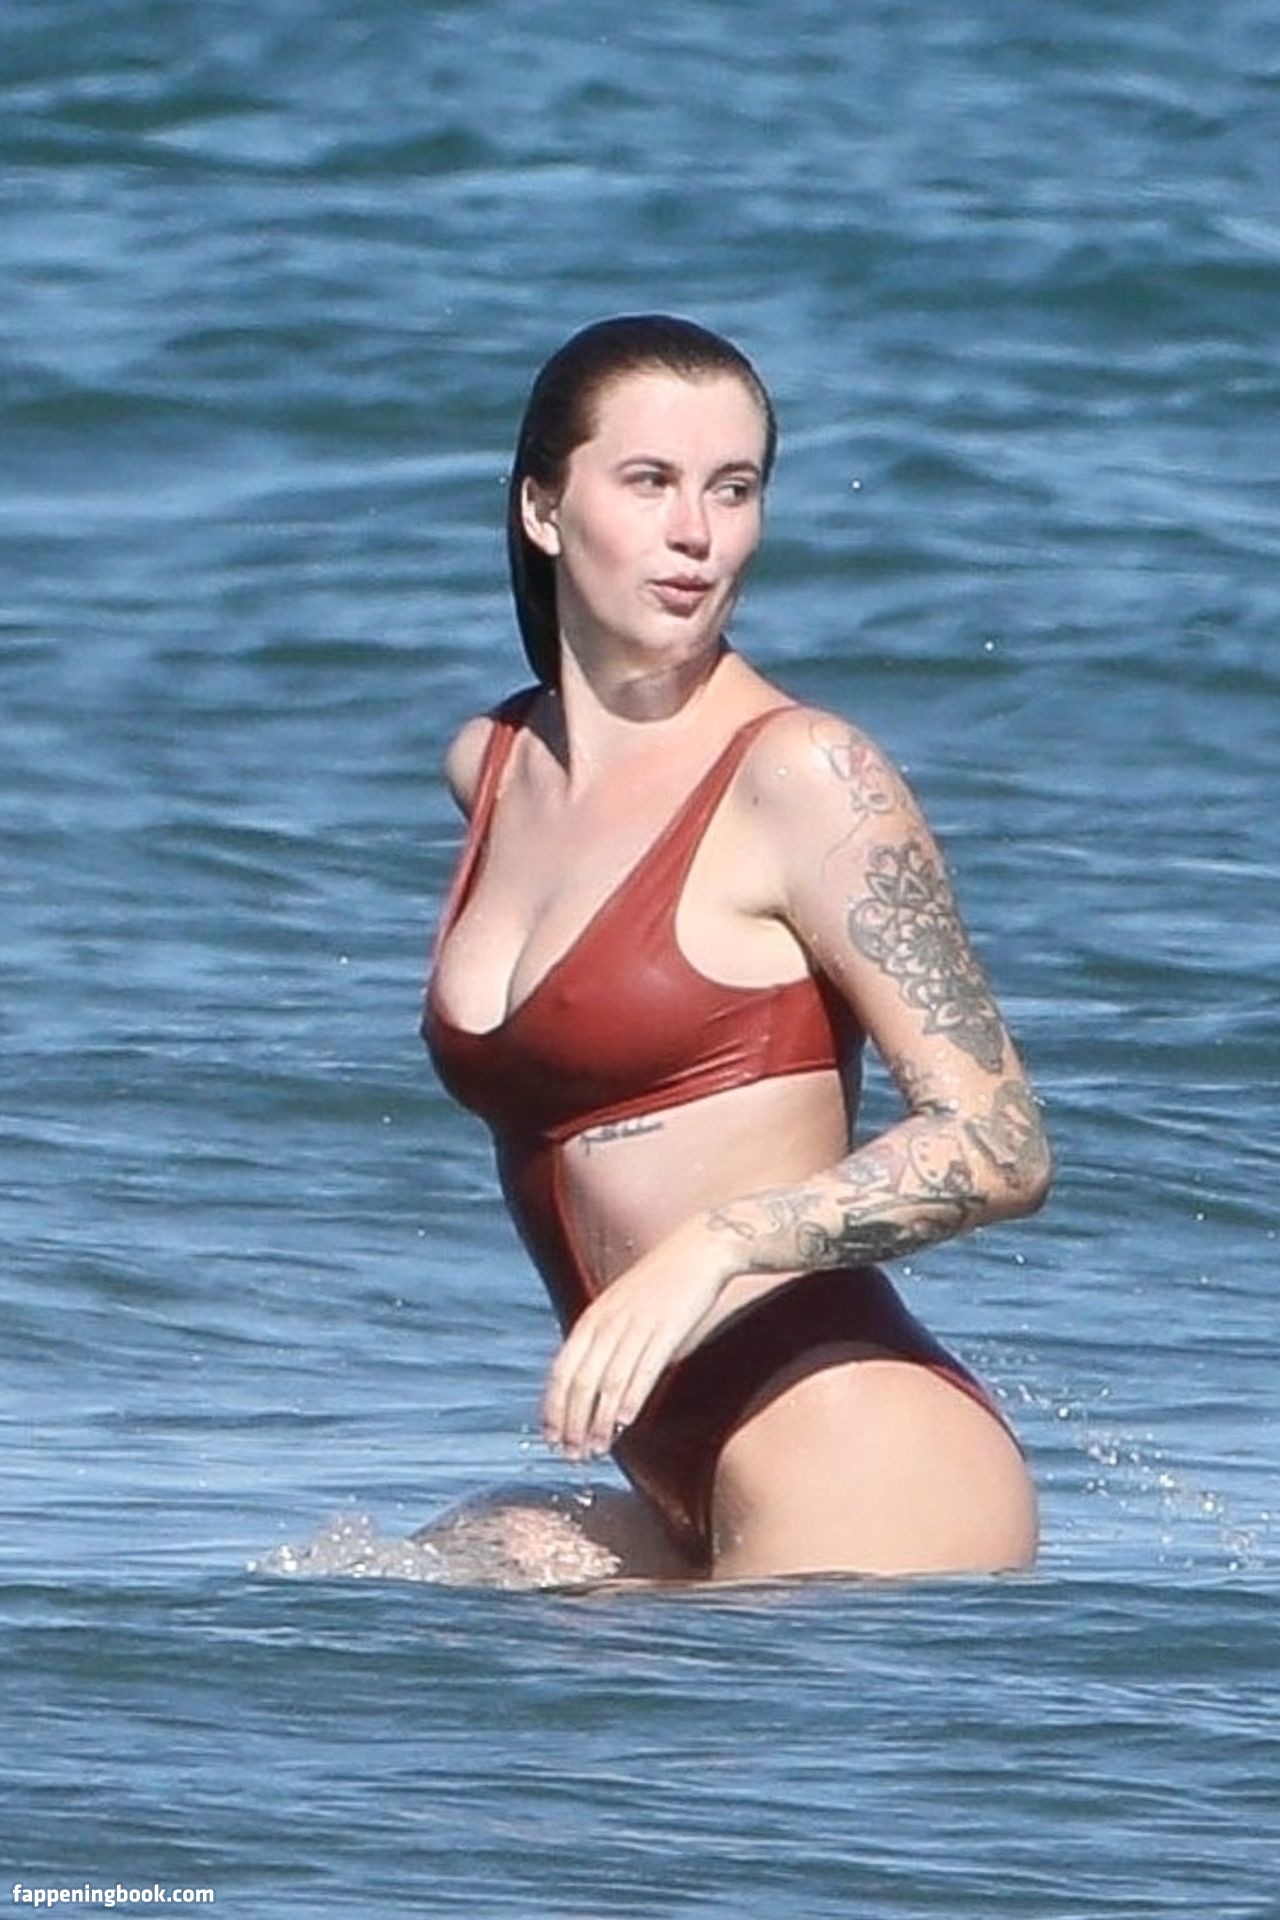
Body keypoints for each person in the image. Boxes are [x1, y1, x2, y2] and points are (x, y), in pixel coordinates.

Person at [422, 314, 1052, 1584]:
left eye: (733, 488)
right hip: (676, 1477)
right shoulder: (492, 767)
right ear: (541, 508)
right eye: (648, 481)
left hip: (858, 1460)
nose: (695, 534)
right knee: (404, 1583)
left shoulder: (803, 776)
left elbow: (999, 1142)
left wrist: (717, 1245)